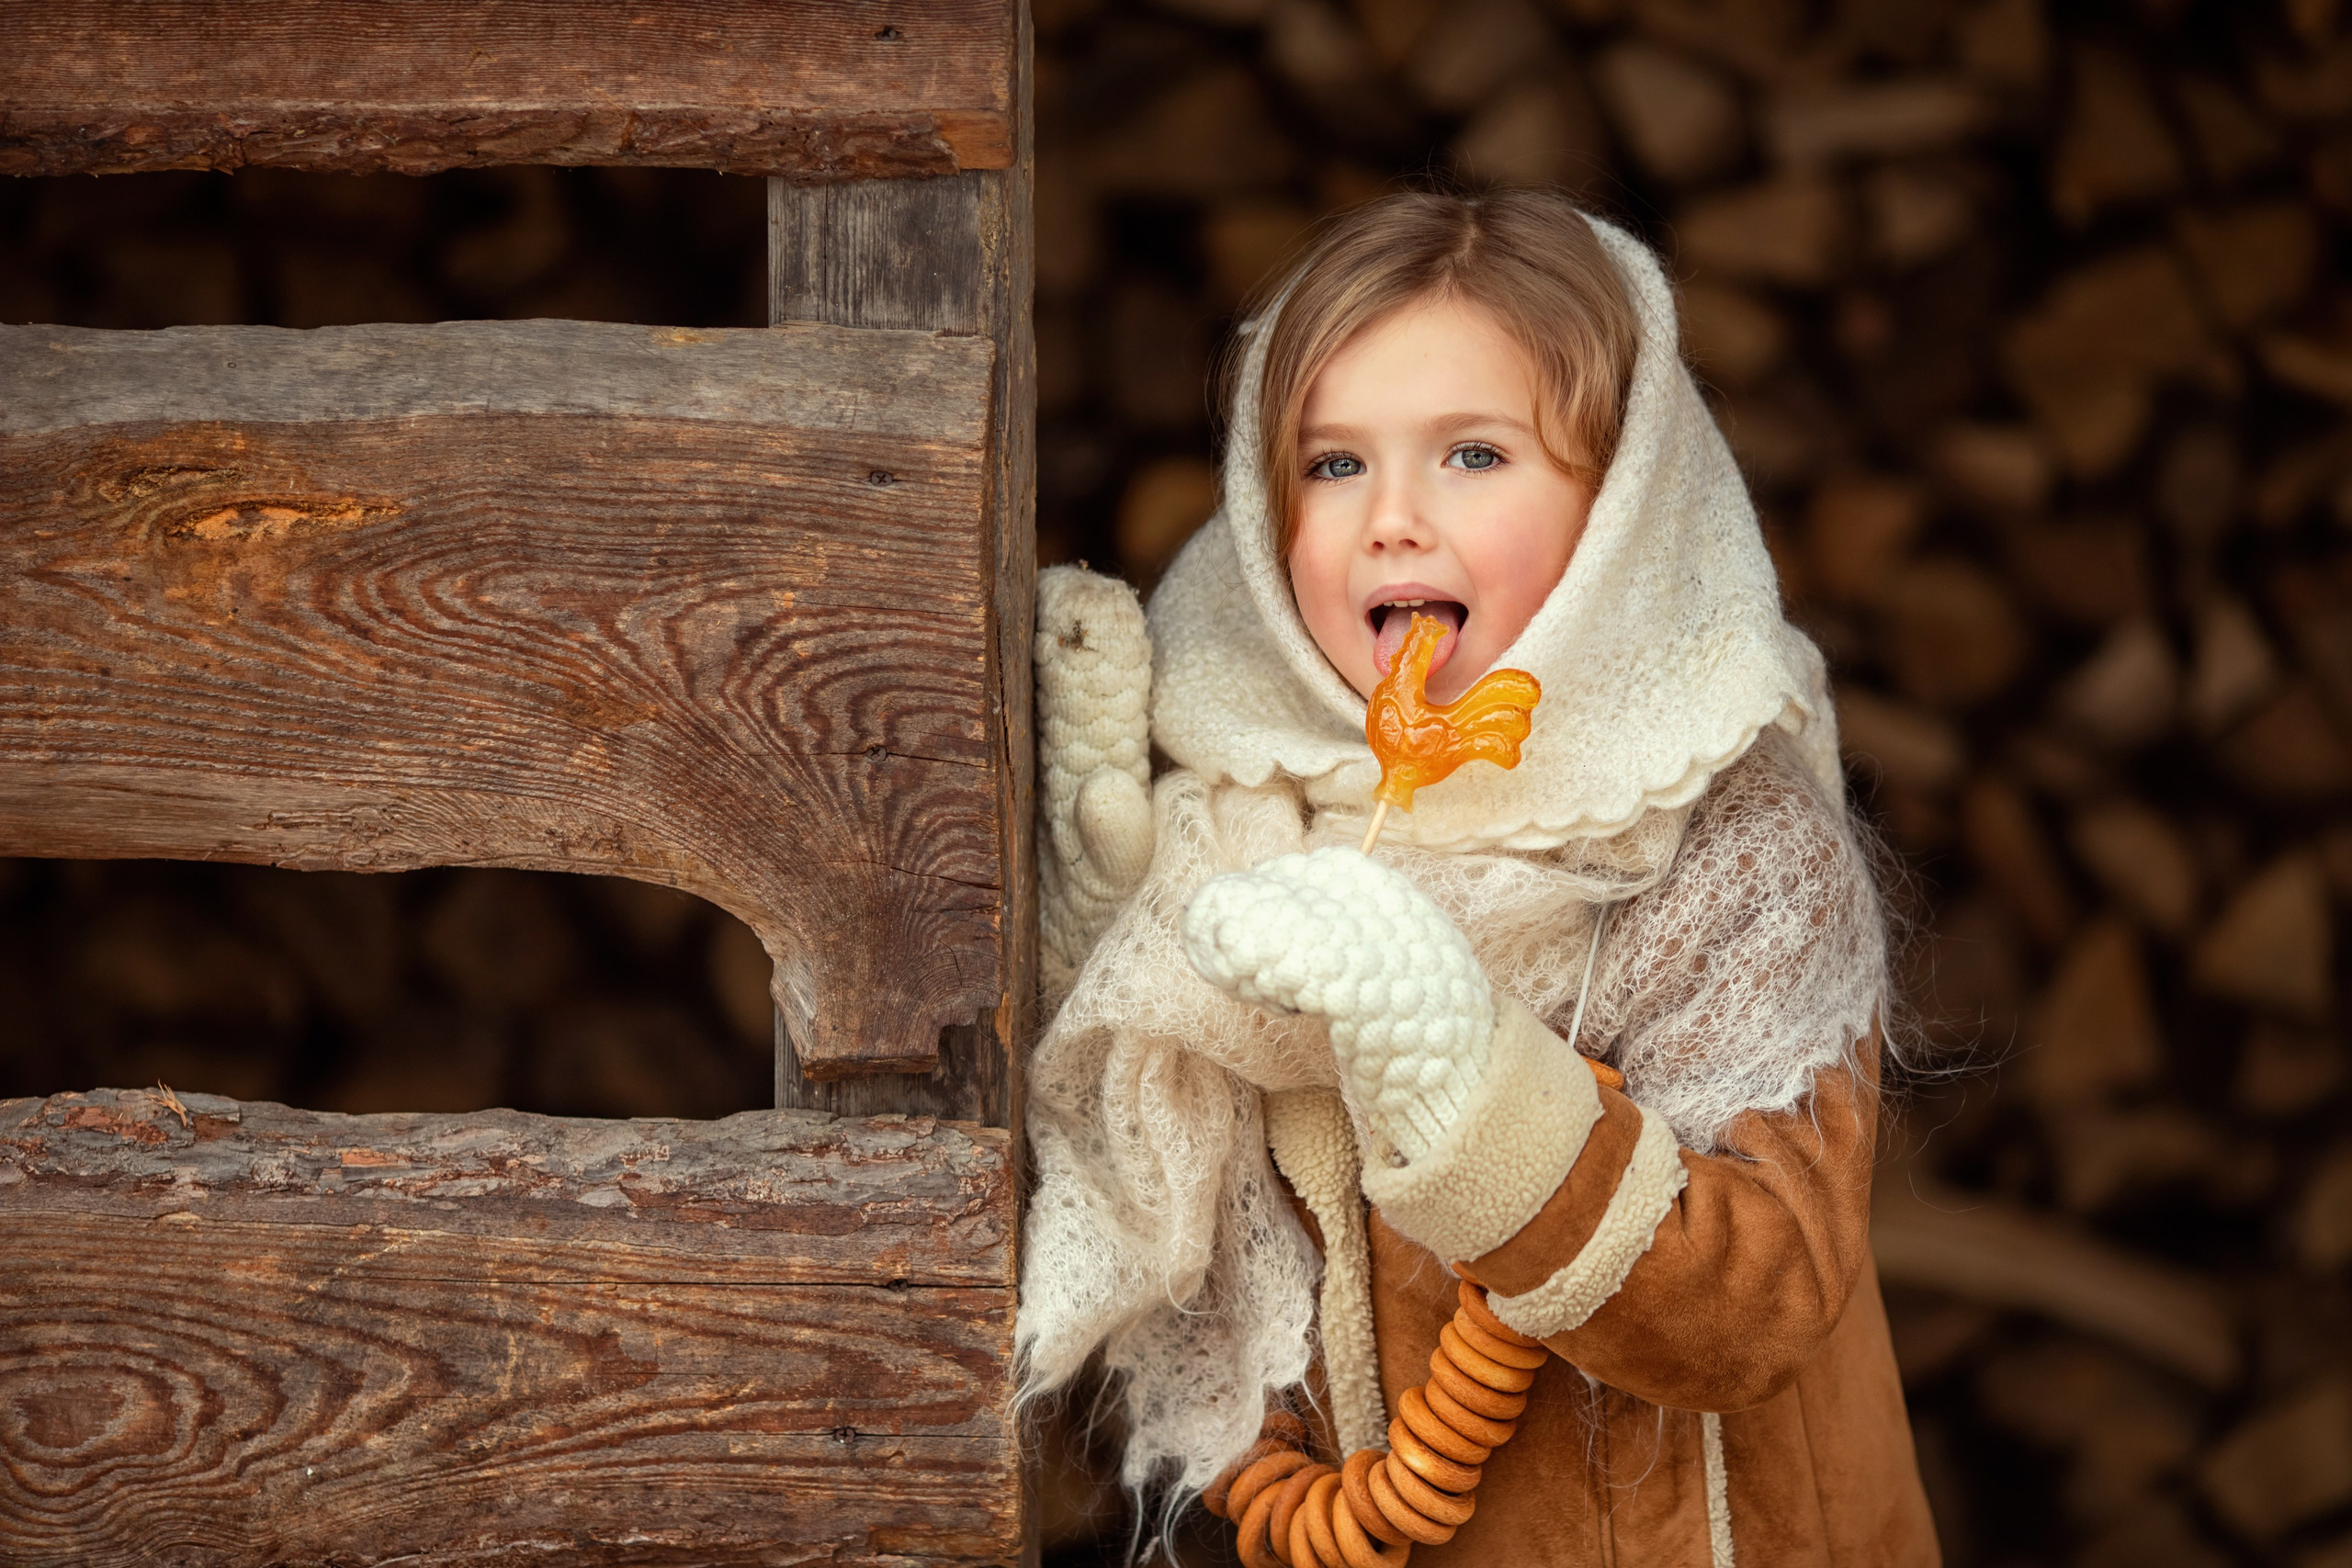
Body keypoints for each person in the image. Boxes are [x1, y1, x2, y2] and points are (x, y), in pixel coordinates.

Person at [1021, 187, 1936, 1566]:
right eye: (1332, 467)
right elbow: (1173, 1229)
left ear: (1624, 503)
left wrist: (1467, 1068)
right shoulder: (1232, 813)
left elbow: (1757, 1302)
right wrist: (1104, 940)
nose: (1393, 519)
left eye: (1473, 455)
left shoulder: (1733, 845)